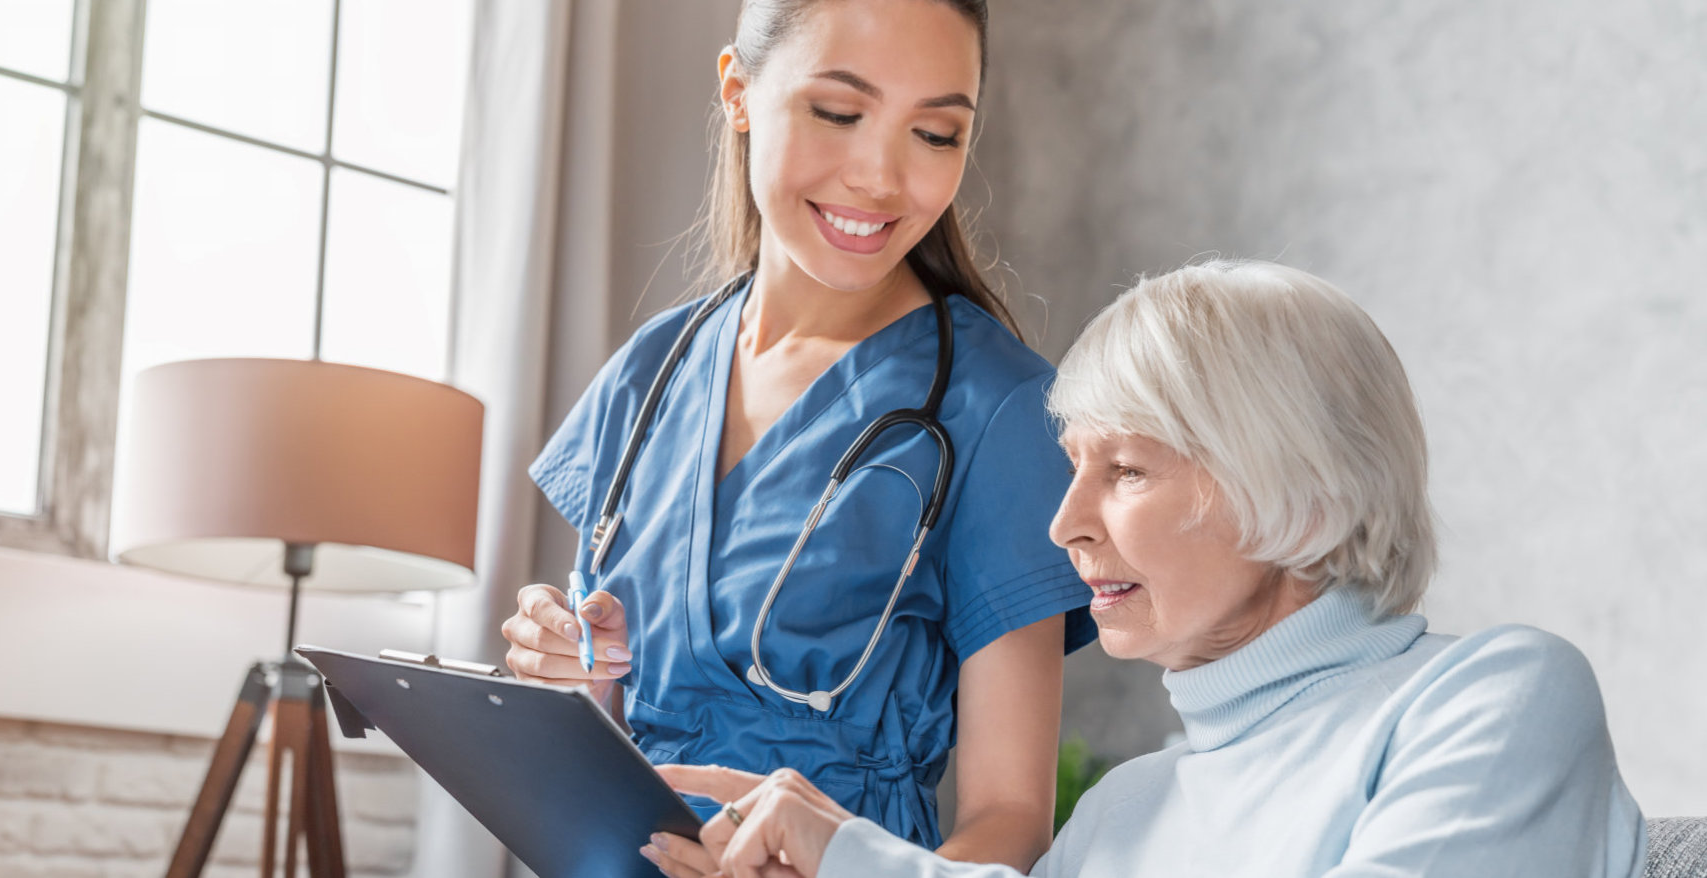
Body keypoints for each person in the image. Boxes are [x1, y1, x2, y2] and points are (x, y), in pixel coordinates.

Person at [658, 259, 1648, 878]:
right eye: (1072, 467)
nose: (1061, 525)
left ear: (1298, 488)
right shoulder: (1122, 814)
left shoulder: (1498, 696)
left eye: (1124, 469)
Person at [501, 0, 1098, 872]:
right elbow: (614, 720)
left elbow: (1010, 827)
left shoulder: (998, 410)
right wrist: (567, 667)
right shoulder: (654, 368)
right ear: (737, 92)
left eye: (935, 133)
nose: (882, 178)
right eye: (839, 112)